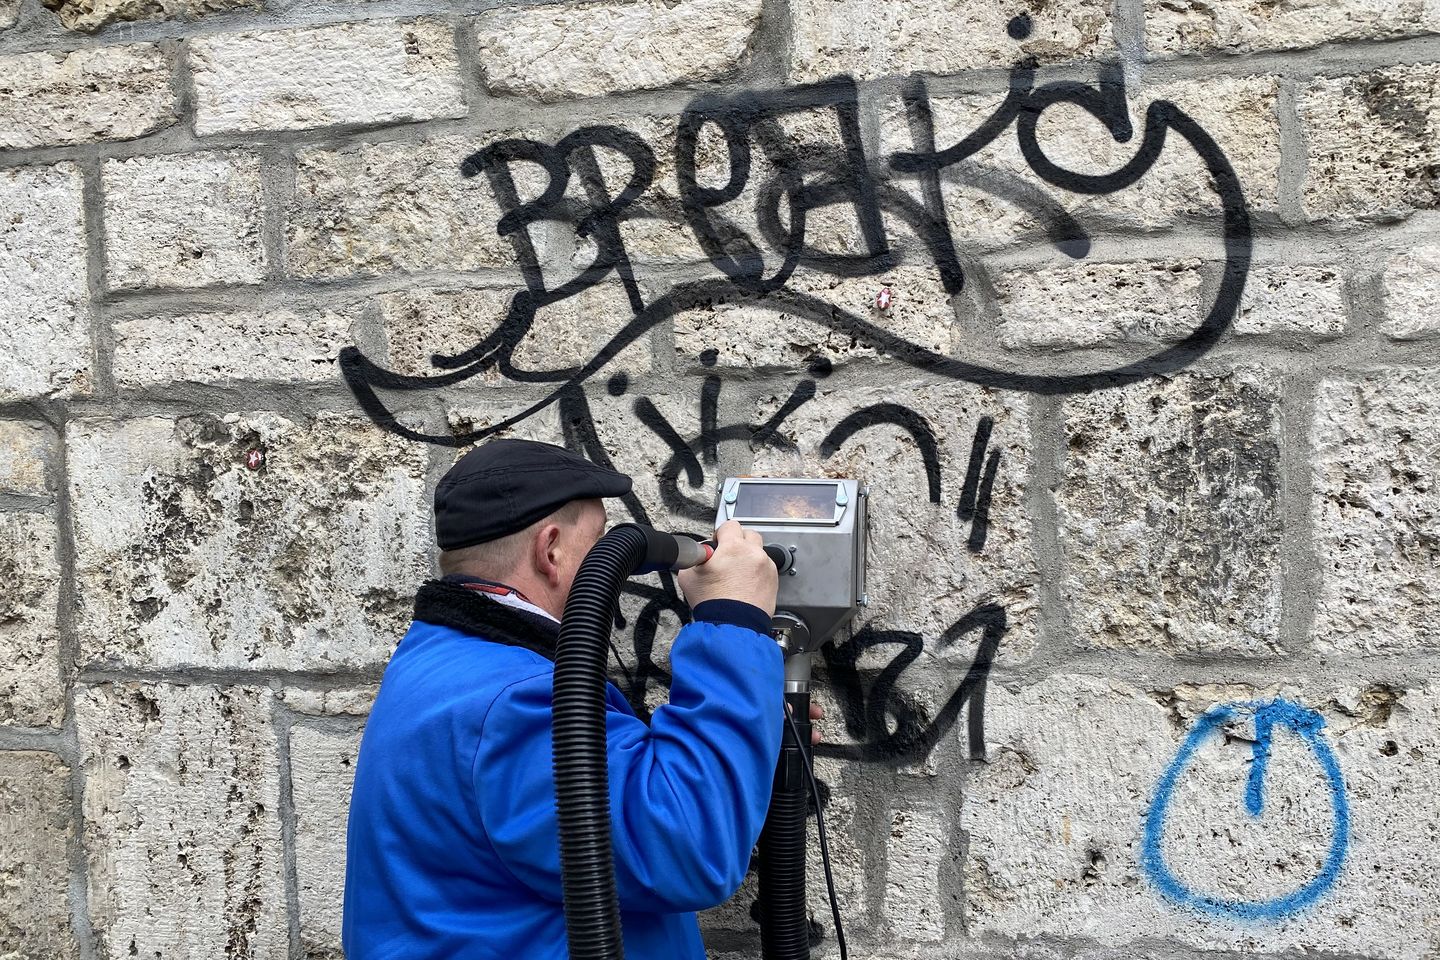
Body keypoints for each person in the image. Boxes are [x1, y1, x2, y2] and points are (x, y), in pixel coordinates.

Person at [343, 438, 821, 958]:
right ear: (550, 550)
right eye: (598, 542)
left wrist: (742, 739)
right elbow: (687, 846)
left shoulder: (441, 662)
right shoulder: (513, 705)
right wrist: (733, 617)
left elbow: (616, 813)